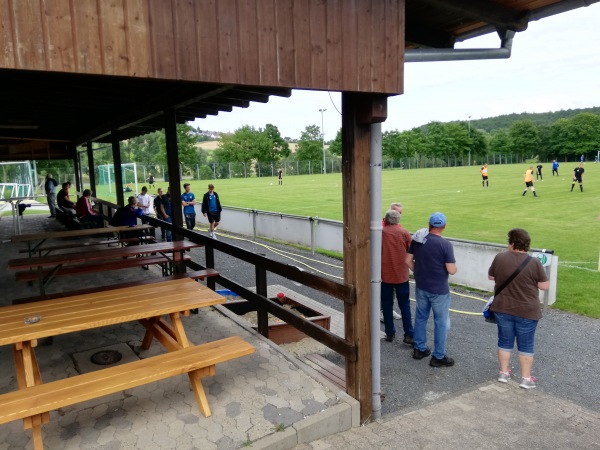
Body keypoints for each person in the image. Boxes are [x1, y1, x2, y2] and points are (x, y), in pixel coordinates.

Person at [488, 228, 549, 389]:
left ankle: (503, 373)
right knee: (526, 344)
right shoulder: (534, 262)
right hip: (527, 311)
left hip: (503, 308)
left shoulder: (500, 257)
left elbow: (491, 276)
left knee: (504, 341)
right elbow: (544, 286)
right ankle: (525, 378)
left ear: (512, 243)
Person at [406, 212, 457, 367]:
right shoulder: (445, 245)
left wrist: (418, 272)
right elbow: (452, 270)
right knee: (440, 322)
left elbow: (407, 260)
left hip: (422, 286)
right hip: (439, 289)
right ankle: (438, 356)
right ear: (444, 226)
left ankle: (419, 348)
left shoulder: (419, 240)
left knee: (421, 317)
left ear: (429, 224)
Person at [381, 209, 414, 345]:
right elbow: (411, 250)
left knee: (387, 305)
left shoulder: (381, 233)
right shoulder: (404, 233)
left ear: (386, 220)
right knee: (405, 305)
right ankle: (409, 334)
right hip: (401, 276)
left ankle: (390, 333)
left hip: (385, 276)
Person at [380, 202, 404, 323]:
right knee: (381, 288)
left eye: (400, 213)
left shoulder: (398, 228)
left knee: (391, 290)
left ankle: (388, 310)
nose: (398, 215)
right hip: (382, 266)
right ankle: (380, 311)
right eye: (396, 212)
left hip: (393, 267)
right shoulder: (381, 227)